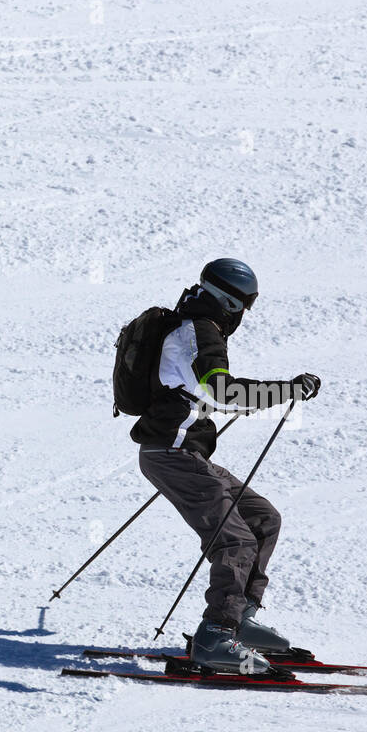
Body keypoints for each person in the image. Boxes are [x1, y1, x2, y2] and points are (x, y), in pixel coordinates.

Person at [131, 259, 321, 672]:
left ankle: (239, 620)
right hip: (171, 454)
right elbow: (221, 391)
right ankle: (215, 637)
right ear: (228, 303)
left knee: (261, 519)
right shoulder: (198, 332)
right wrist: (285, 391)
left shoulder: (197, 327)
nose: (241, 317)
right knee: (234, 540)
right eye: (241, 308)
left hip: (184, 453)